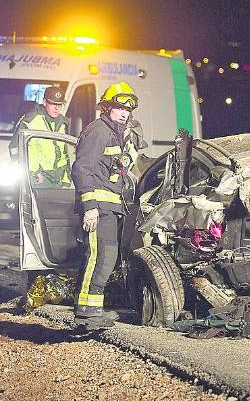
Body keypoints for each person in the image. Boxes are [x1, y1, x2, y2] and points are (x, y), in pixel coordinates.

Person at [71, 82, 143, 330]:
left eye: (127, 110)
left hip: (111, 208)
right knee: (97, 257)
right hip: (98, 209)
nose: (124, 113)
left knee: (107, 258)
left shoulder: (117, 134)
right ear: (107, 107)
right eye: (119, 107)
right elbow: (82, 170)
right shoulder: (98, 132)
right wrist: (89, 206)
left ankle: (94, 311)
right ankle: (85, 315)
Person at [9, 86, 71, 188]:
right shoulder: (30, 120)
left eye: (60, 105)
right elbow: (15, 149)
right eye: (53, 104)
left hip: (58, 181)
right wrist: (33, 172)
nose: (57, 108)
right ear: (44, 102)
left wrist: (66, 181)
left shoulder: (63, 122)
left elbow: (65, 154)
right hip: (36, 180)